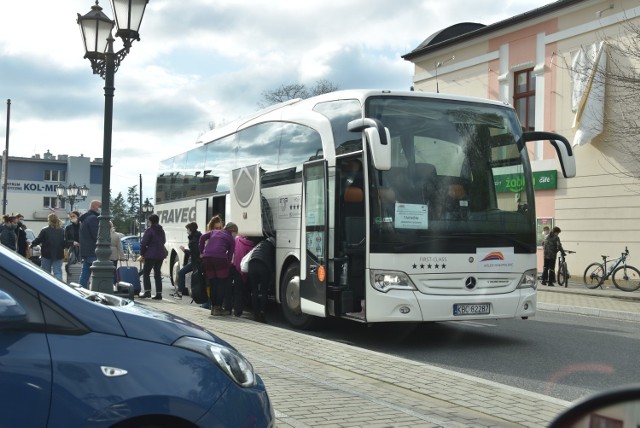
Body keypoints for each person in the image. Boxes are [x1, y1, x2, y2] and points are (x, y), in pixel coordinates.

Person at [199, 222, 236, 316]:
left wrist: (202, 252)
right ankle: (218, 308)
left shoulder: (214, 232)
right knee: (221, 283)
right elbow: (230, 254)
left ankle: (213, 307)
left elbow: (202, 238)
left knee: (213, 283)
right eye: (235, 232)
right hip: (220, 259)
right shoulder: (231, 239)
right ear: (232, 231)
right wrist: (227, 264)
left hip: (207, 258)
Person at [247, 236, 275, 323]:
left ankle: (255, 314)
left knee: (254, 291)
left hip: (252, 265)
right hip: (263, 266)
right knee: (264, 291)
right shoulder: (272, 247)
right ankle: (262, 313)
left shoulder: (260, 244)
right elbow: (272, 262)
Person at [138, 214, 167, 299]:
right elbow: (164, 241)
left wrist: (142, 254)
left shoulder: (149, 230)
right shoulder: (161, 230)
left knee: (146, 273)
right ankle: (159, 294)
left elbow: (144, 243)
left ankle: (147, 292)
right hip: (161, 254)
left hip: (150, 254)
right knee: (157, 273)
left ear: (150, 221)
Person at [171, 221, 202, 299]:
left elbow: (194, 252)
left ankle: (180, 293)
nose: (187, 231)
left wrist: (185, 250)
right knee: (183, 273)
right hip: (196, 261)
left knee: (181, 273)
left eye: (187, 229)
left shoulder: (194, 239)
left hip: (196, 262)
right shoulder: (197, 236)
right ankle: (180, 292)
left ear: (190, 229)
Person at [31, 213, 66, 281]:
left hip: (46, 253)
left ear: (49, 220)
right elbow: (65, 242)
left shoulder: (45, 230)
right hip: (59, 253)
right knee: (57, 271)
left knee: (46, 272)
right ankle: (59, 287)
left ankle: (46, 286)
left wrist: (32, 244)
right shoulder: (62, 231)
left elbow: (39, 239)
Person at [79, 200, 101, 288]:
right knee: (98, 274)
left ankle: (81, 291)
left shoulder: (85, 219)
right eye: (100, 206)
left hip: (86, 250)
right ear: (94, 206)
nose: (100, 208)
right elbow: (96, 235)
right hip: (93, 250)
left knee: (85, 274)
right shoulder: (93, 218)